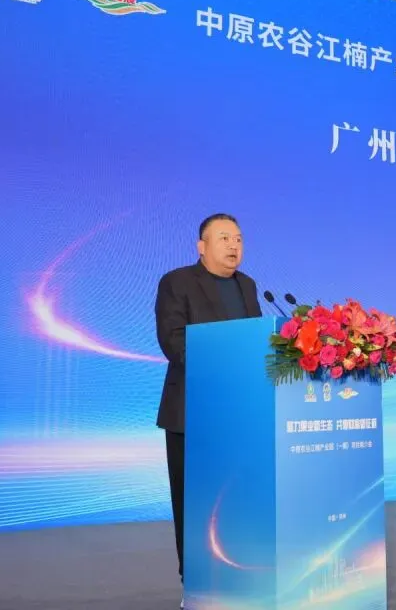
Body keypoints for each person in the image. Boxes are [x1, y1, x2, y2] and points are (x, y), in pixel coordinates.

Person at [154, 213, 262, 604]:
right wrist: (225, 370)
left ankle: (241, 580)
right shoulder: (177, 282)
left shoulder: (248, 285)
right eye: (224, 238)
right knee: (194, 506)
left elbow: (256, 342)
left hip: (242, 415)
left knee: (238, 502)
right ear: (202, 247)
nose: (234, 245)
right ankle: (197, 587)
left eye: (239, 238)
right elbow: (174, 341)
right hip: (194, 414)